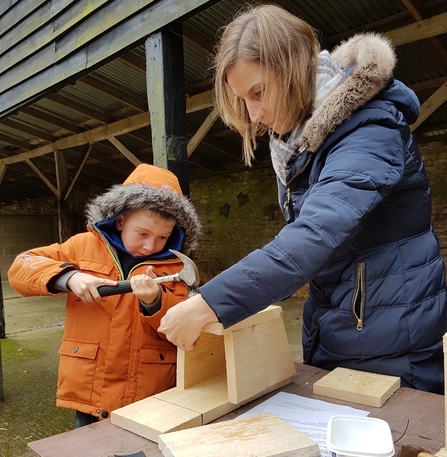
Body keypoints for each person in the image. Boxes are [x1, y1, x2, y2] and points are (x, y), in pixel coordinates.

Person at [158, 4, 447, 394]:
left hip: (393, 339)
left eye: (259, 92)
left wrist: (208, 303)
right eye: (244, 99)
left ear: (294, 67)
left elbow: (314, 234)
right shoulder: (298, 145)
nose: (254, 114)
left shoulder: (370, 128)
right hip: (339, 328)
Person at [8, 163, 201, 426]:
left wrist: (155, 301)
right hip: (90, 389)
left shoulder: (176, 267)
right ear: (120, 219)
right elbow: (21, 266)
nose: (150, 245)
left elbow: (185, 330)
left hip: (148, 394)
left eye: (163, 237)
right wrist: (68, 277)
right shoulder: (81, 246)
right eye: (142, 233)